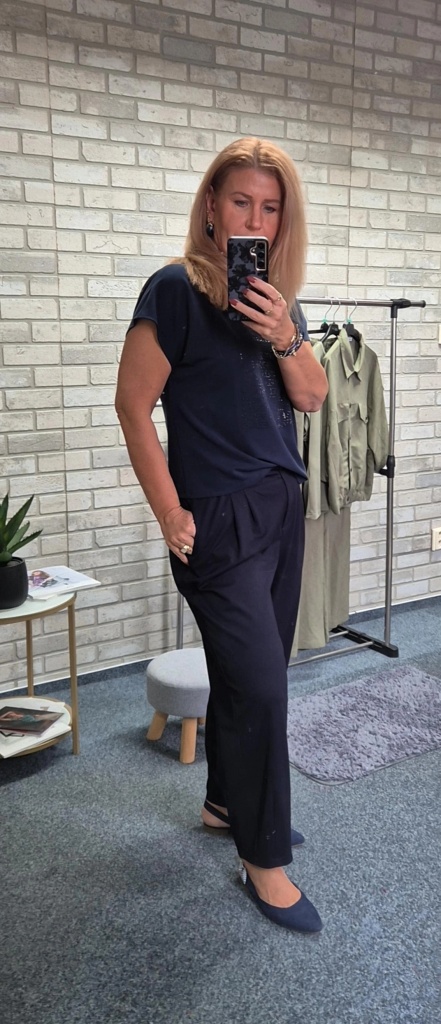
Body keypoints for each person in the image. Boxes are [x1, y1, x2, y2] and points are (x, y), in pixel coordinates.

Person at [115, 137, 328, 933]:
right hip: (217, 517)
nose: (254, 219)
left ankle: (223, 804)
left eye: (270, 208)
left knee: (255, 675)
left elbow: (311, 397)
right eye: (241, 201)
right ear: (210, 204)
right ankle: (262, 858)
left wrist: (283, 333)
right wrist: (168, 510)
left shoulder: (278, 302)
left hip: (279, 508)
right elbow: (132, 404)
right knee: (263, 689)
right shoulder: (174, 290)